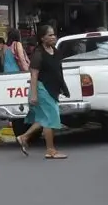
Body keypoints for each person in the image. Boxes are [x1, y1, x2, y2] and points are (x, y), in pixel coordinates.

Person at [15, 24, 69, 159]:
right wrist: (33, 95)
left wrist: (62, 87)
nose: (53, 37)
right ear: (42, 38)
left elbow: (58, 71)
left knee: (44, 118)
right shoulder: (38, 54)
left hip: (52, 89)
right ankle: (50, 150)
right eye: (49, 35)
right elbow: (33, 75)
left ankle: (24, 137)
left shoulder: (55, 51)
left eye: (54, 34)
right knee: (51, 118)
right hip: (42, 89)